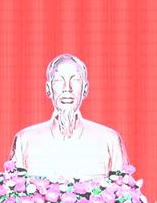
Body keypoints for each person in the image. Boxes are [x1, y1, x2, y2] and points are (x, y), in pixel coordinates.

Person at [9, 53, 129, 182]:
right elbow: (11, 194)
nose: (67, 88)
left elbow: (124, 193)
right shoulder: (25, 140)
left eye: (75, 80)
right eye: (59, 80)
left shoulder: (108, 139)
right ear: (48, 89)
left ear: (85, 89)